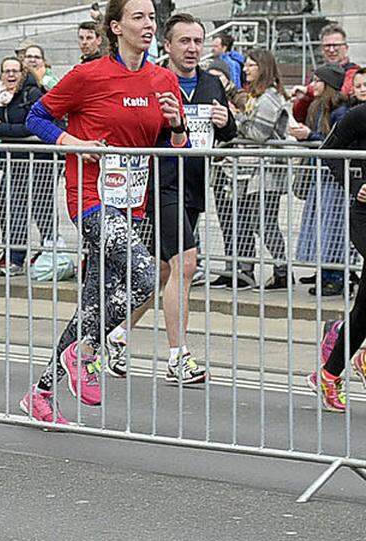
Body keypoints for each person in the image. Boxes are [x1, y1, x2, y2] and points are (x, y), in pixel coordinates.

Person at [19, 0, 184, 423]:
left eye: (152, 18)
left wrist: (177, 126)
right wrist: (71, 144)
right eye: (138, 18)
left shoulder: (163, 78)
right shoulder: (88, 75)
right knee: (146, 276)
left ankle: (40, 393)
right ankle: (85, 351)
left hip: (133, 202)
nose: (148, 25)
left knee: (93, 306)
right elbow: (36, 117)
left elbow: (170, 149)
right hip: (90, 199)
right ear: (116, 26)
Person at [120, 13, 237, 385]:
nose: (192, 49)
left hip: (194, 186)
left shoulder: (211, 84)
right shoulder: (152, 81)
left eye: (198, 41)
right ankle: (177, 357)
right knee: (186, 264)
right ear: (167, 46)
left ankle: (115, 333)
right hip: (161, 183)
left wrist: (225, 120)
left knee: (164, 272)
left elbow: (228, 134)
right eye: (184, 41)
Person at [210, 49, 290, 290]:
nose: (245, 69)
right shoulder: (257, 96)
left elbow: (258, 134)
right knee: (245, 222)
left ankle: (283, 271)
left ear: (263, 68)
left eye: (251, 65)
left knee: (264, 223)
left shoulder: (270, 98)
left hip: (265, 173)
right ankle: (246, 272)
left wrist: (235, 121)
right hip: (249, 172)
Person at [309, 74, 366, 412]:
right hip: (365, 213)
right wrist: (354, 183)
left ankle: (330, 373)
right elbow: (328, 152)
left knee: (364, 311)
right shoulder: (359, 116)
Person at [0, 56, 51, 275]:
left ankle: (49, 253)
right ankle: (15, 257)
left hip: (38, 161)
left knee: (43, 209)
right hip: (12, 161)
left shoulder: (31, 94)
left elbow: (33, 126)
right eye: (6, 71)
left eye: (15, 71)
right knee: (11, 207)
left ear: (23, 73)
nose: (11, 75)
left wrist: (1, 128)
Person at [293, 63, 351, 296]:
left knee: (333, 226)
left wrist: (310, 136)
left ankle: (335, 276)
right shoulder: (318, 106)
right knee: (319, 225)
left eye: (317, 81)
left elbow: (334, 140)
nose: (312, 85)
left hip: (334, 178)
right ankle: (324, 270)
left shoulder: (341, 110)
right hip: (320, 175)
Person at [291, 23, 358, 123]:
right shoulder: (316, 74)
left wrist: (308, 90)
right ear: (322, 49)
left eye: (336, 45)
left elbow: (343, 94)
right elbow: (299, 116)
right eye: (327, 45)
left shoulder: (355, 72)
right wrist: (303, 99)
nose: (331, 50)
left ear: (346, 48)